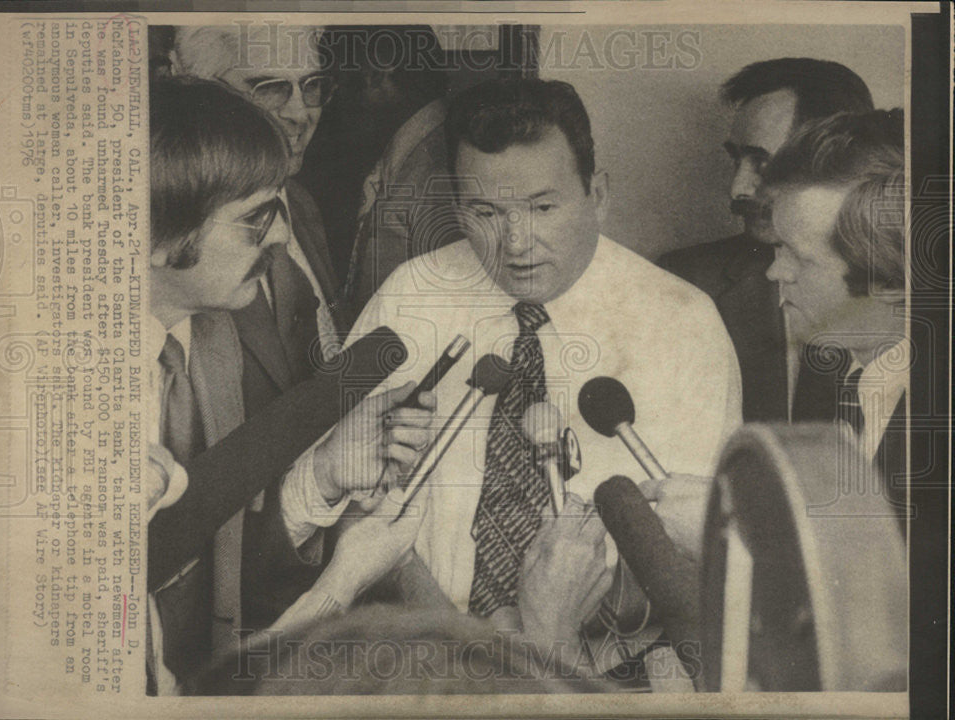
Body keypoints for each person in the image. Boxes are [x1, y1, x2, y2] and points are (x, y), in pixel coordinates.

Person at [275, 78, 741, 633]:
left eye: (543, 207)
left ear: (598, 196)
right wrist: (459, 642)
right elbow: (349, 492)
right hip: (424, 650)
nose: (516, 242)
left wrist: (552, 635)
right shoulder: (409, 295)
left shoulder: (683, 322)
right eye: (486, 213)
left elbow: (691, 556)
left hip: (601, 667)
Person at [147, 76, 435, 688]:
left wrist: (323, 474)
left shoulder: (214, 341)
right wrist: (340, 585)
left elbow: (215, 571)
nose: (281, 238)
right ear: (159, 234)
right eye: (256, 219)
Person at [647, 108, 907, 563]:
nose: (774, 271)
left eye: (798, 257)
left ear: (891, 282)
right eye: (776, 247)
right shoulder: (854, 371)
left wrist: (741, 545)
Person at [170, 24, 353, 627]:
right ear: (191, 88)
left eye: (313, 86)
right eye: (270, 87)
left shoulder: (299, 206)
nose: (301, 114)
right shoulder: (185, 293)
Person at [657, 58, 874, 421]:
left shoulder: (917, 290)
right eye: (736, 161)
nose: (737, 189)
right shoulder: (686, 284)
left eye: (762, 162)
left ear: (835, 158)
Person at [301, 26, 457, 314]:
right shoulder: (414, 149)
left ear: (376, 73)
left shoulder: (438, 168)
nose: (329, 100)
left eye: (335, 82)